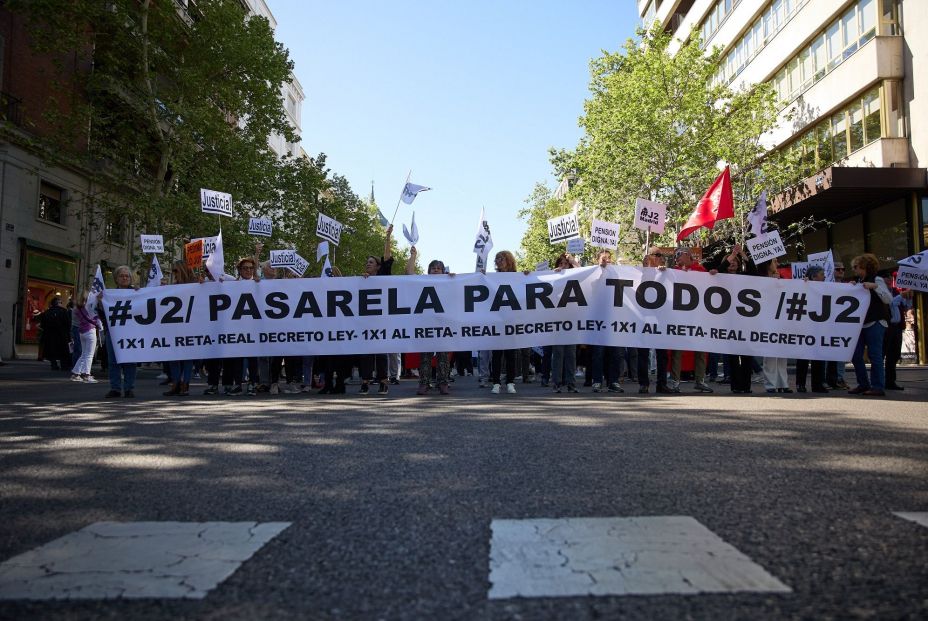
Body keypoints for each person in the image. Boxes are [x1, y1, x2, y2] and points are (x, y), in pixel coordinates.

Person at [407, 246, 454, 395]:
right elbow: (409, 273)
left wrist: (455, 279)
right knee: (425, 356)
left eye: (438, 268)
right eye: (433, 268)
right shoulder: (423, 281)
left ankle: (443, 383)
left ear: (443, 271)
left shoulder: (449, 282)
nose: (435, 270)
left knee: (443, 356)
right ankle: (424, 383)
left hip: (443, 323)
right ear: (429, 271)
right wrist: (413, 255)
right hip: (425, 323)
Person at [670, 248, 713, 393]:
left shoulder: (700, 270)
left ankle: (700, 380)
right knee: (677, 350)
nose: (676, 258)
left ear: (688, 255)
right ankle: (675, 381)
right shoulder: (673, 272)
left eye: (679, 255)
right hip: (679, 317)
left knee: (701, 349)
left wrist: (712, 275)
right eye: (675, 256)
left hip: (698, 316)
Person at [849, 253, 892, 397]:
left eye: (856, 267)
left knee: (875, 355)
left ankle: (877, 386)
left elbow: (888, 299)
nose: (853, 270)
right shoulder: (859, 282)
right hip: (860, 324)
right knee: (855, 355)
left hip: (875, 322)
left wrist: (874, 287)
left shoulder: (877, 280)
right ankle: (863, 383)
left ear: (864, 266)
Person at [359, 224, 394, 395]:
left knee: (380, 353)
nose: (368, 265)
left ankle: (383, 381)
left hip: (381, 321)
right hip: (366, 322)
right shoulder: (361, 280)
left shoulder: (383, 277)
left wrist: (387, 238)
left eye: (371, 263)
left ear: (379, 267)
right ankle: (365, 382)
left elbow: (387, 258)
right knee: (366, 353)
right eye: (367, 263)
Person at [590, 250, 625, 393]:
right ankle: (597, 381)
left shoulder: (616, 273)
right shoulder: (593, 272)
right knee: (598, 352)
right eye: (603, 258)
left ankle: (613, 381)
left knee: (615, 352)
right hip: (599, 318)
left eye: (608, 258)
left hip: (614, 318)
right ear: (597, 260)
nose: (606, 261)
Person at [638, 248, 672, 394]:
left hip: (661, 318)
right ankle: (643, 384)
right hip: (644, 318)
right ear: (649, 257)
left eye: (661, 255)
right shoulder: (640, 273)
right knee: (643, 353)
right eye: (657, 255)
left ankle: (661, 384)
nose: (660, 258)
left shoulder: (665, 273)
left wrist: (663, 273)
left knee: (662, 354)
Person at [755, 258, 791, 394]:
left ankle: (783, 383)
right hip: (767, 320)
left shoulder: (783, 278)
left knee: (782, 353)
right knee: (770, 353)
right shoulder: (761, 280)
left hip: (782, 320)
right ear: (768, 264)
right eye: (774, 261)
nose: (777, 264)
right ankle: (771, 384)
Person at [104, 266, 138, 398]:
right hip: (113, 332)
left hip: (131, 331)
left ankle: (129, 388)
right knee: (113, 361)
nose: (124, 278)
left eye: (127, 276)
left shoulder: (136, 292)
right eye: (122, 276)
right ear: (116, 279)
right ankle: (115, 388)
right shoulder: (109, 294)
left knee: (130, 361)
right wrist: (101, 300)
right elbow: (101, 312)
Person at [163, 261, 197, 397]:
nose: (174, 274)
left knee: (187, 357)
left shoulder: (195, 285)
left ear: (183, 270)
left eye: (176, 271)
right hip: (174, 326)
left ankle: (185, 384)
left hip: (190, 326)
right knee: (173, 356)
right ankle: (175, 383)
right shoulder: (173, 287)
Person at [795, 265, 829, 393]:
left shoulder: (827, 287)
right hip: (805, 326)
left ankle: (818, 384)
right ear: (814, 276)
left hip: (819, 326)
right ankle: (800, 384)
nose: (824, 276)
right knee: (803, 356)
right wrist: (802, 284)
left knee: (818, 355)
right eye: (821, 274)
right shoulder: (803, 285)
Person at [490, 250, 519, 394]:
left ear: (508, 260)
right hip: (497, 320)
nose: (498, 261)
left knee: (510, 354)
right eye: (496, 259)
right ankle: (495, 382)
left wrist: (528, 276)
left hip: (511, 320)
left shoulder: (517, 277)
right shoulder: (491, 278)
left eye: (501, 258)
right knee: (496, 354)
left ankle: (510, 382)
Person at [550, 253, 580, 393]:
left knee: (571, 354)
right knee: (558, 353)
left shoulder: (575, 276)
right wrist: (552, 274)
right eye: (560, 263)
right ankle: (557, 382)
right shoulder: (553, 277)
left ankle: (571, 383)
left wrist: (573, 260)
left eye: (565, 264)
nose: (563, 266)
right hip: (557, 320)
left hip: (572, 320)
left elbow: (581, 270)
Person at [69, 290, 102, 383]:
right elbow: (91, 318)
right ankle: (87, 375)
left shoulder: (77, 308)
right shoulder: (88, 308)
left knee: (84, 354)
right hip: (90, 331)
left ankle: (76, 374)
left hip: (81, 332)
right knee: (89, 355)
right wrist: (97, 322)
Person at [884, 289, 913, 390]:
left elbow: (907, 306)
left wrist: (909, 298)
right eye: (886, 277)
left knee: (894, 355)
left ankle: (890, 381)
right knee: (882, 354)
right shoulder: (883, 291)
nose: (888, 279)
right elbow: (891, 303)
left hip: (897, 327)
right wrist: (901, 295)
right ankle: (878, 381)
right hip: (887, 326)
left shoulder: (896, 292)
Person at [38, 297, 70, 371]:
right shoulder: (64, 311)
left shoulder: (47, 312)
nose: (61, 304)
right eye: (61, 302)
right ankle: (64, 365)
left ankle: (54, 365)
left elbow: (43, 325)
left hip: (50, 335)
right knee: (63, 351)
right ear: (58, 303)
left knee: (52, 350)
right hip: (62, 334)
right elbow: (68, 324)